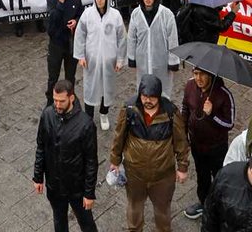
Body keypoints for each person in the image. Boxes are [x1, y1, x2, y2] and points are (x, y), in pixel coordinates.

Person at [108, 74, 190, 232]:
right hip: (134, 174)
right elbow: (119, 137)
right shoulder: (129, 109)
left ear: (159, 96)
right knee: (134, 209)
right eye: (145, 96)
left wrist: (182, 167)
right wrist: (114, 161)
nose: (148, 100)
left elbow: (181, 142)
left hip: (163, 176)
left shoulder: (171, 113)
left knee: (163, 212)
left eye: (152, 97)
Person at [32, 79, 99, 232]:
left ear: (72, 98)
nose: (57, 104)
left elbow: (91, 161)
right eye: (55, 100)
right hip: (55, 186)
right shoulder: (47, 115)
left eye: (61, 101)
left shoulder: (86, 124)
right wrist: (37, 177)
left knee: (87, 224)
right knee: (59, 222)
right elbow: (41, 147)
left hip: (77, 188)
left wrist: (89, 193)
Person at [180, 66, 235, 221]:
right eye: (195, 73)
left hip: (217, 148)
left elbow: (229, 123)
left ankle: (220, 207)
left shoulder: (224, 95)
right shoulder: (190, 86)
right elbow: (185, 109)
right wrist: (183, 135)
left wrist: (212, 115)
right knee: (202, 176)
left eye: (202, 74)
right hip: (197, 145)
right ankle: (204, 203)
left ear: (211, 75)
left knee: (219, 177)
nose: (198, 78)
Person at [73, 0, 126, 130]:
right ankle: (88, 117)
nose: (99, 0)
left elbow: (121, 38)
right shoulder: (87, 14)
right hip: (91, 61)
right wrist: (80, 56)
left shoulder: (115, 15)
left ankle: (104, 113)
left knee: (107, 88)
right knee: (90, 88)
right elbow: (80, 35)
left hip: (109, 61)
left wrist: (120, 59)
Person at [127, 0, 180, 98]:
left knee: (162, 89)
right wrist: (132, 57)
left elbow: (172, 38)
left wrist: (173, 61)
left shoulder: (166, 14)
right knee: (144, 88)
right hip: (142, 60)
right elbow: (131, 38)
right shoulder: (136, 14)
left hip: (161, 60)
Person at [45, 0, 83, 101]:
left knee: (70, 76)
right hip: (56, 43)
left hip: (70, 43)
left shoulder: (75, 0)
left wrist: (76, 21)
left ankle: (69, 98)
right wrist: (60, 4)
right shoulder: (51, 0)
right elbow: (52, 20)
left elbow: (81, 14)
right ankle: (50, 101)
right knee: (53, 77)